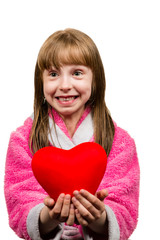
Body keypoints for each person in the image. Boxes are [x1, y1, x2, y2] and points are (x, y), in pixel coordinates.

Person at [4, 28, 140, 240]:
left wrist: (100, 218)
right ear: (41, 82)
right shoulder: (22, 140)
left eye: (77, 73)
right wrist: (50, 216)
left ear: (95, 80)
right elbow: (19, 203)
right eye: (53, 74)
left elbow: (125, 207)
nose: (65, 85)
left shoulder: (120, 142)